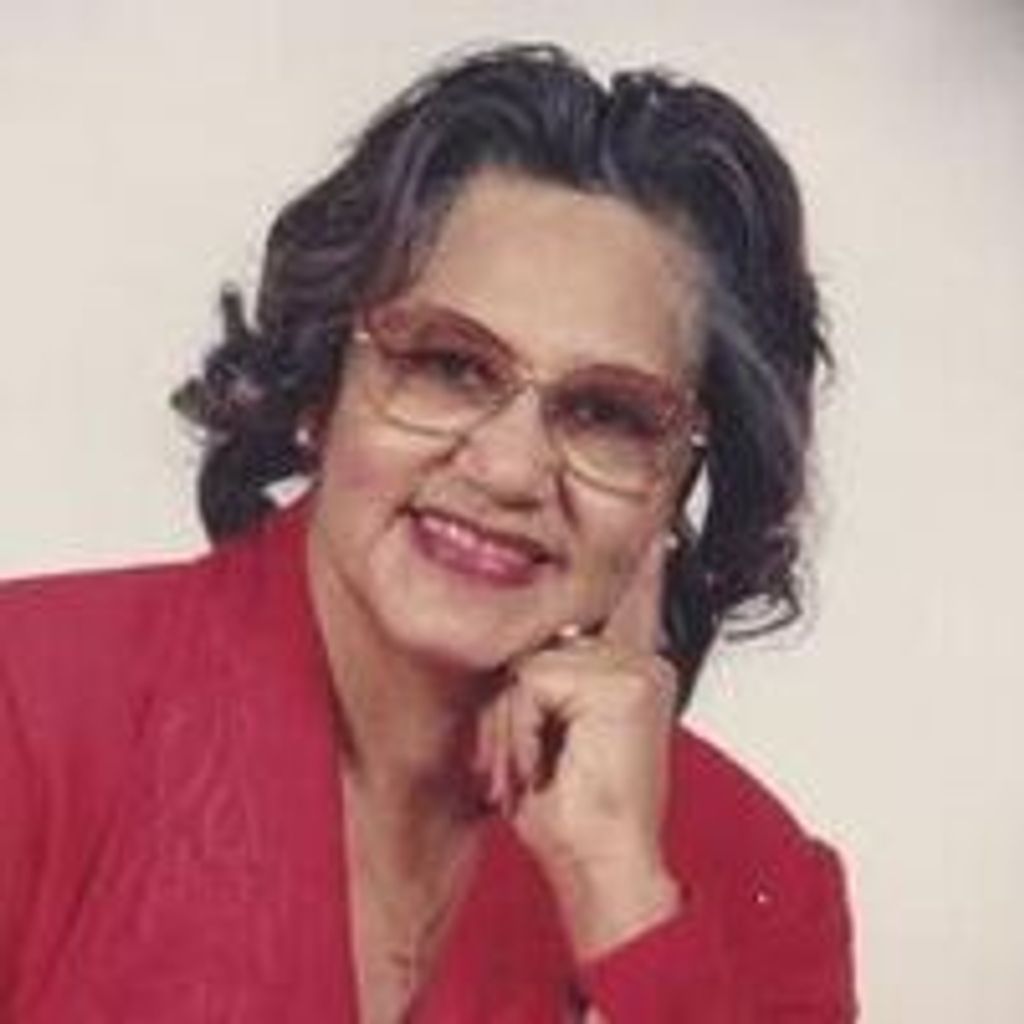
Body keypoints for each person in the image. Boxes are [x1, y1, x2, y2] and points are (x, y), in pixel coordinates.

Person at [0, 43, 856, 1023]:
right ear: (321, 384)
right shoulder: (26, 706)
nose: (508, 468)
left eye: (607, 414)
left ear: (679, 484)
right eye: (450, 365)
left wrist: (619, 896)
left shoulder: (756, 875)